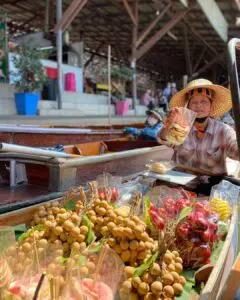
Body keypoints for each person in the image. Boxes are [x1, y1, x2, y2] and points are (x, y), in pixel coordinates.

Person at [158, 78, 238, 179]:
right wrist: (168, 125)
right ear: (188, 106)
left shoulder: (224, 131)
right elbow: (162, 138)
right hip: (182, 186)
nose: (199, 106)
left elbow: (236, 151)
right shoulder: (180, 128)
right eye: (194, 102)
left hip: (212, 188)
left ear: (211, 105)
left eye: (204, 101)